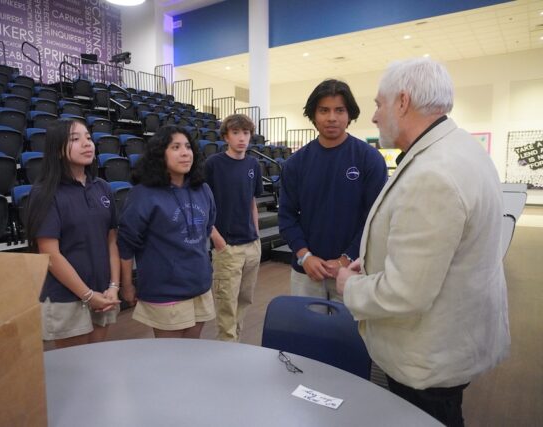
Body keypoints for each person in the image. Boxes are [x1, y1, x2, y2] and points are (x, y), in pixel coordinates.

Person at [336, 58, 510, 426]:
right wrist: (374, 265)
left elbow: (407, 292)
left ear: (402, 101)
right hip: (449, 343)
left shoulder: (434, 173)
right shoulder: (459, 149)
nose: (374, 117)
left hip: (428, 359)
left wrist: (351, 286)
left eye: (378, 104)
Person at [278, 79, 387, 302]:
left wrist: (346, 259)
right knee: (307, 336)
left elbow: (375, 218)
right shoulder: (295, 163)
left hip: (354, 272)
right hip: (306, 272)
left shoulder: (369, 159)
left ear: (349, 115)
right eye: (324, 110)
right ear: (313, 115)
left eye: (339, 110)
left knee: (349, 336)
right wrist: (305, 256)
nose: (331, 118)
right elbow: (287, 217)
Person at [26, 118, 120, 349]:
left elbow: (112, 242)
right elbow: (50, 255)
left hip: (103, 292)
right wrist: (88, 295)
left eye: (88, 137)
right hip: (67, 297)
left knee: (96, 362)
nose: (87, 144)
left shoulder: (102, 187)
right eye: (75, 139)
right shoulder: (45, 193)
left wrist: (113, 286)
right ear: (57, 150)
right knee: (75, 372)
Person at [118, 125, 216, 339]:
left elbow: (207, 229)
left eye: (188, 147)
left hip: (199, 285)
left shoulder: (203, 189)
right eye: (176, 147)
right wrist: (127, 285)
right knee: (170, 360)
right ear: (159, 154)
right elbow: (126, 244)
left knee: (192, 352)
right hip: (164, 290)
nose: (184, 152)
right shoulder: (143, 194)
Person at [206, 114, 263, 342]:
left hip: (251, 245)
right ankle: (227, 349)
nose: (242, 138)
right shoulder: (213, 164)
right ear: (226, 136)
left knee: (244, 301)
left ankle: (235, 344)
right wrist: (217, 240)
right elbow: (202, 204)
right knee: (226, 305)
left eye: (246, 133)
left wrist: (256, 236)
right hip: (227, 247)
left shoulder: (253, 164)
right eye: (236, 133)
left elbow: (252, 202)